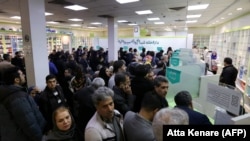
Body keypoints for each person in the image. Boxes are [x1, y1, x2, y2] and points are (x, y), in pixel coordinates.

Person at [0, 66, 46, 141]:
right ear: (17, 80)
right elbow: (29, 124)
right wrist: (40, 138)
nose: (24, 75)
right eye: (21, 74)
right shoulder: (17, 98)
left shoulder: (10, 94)